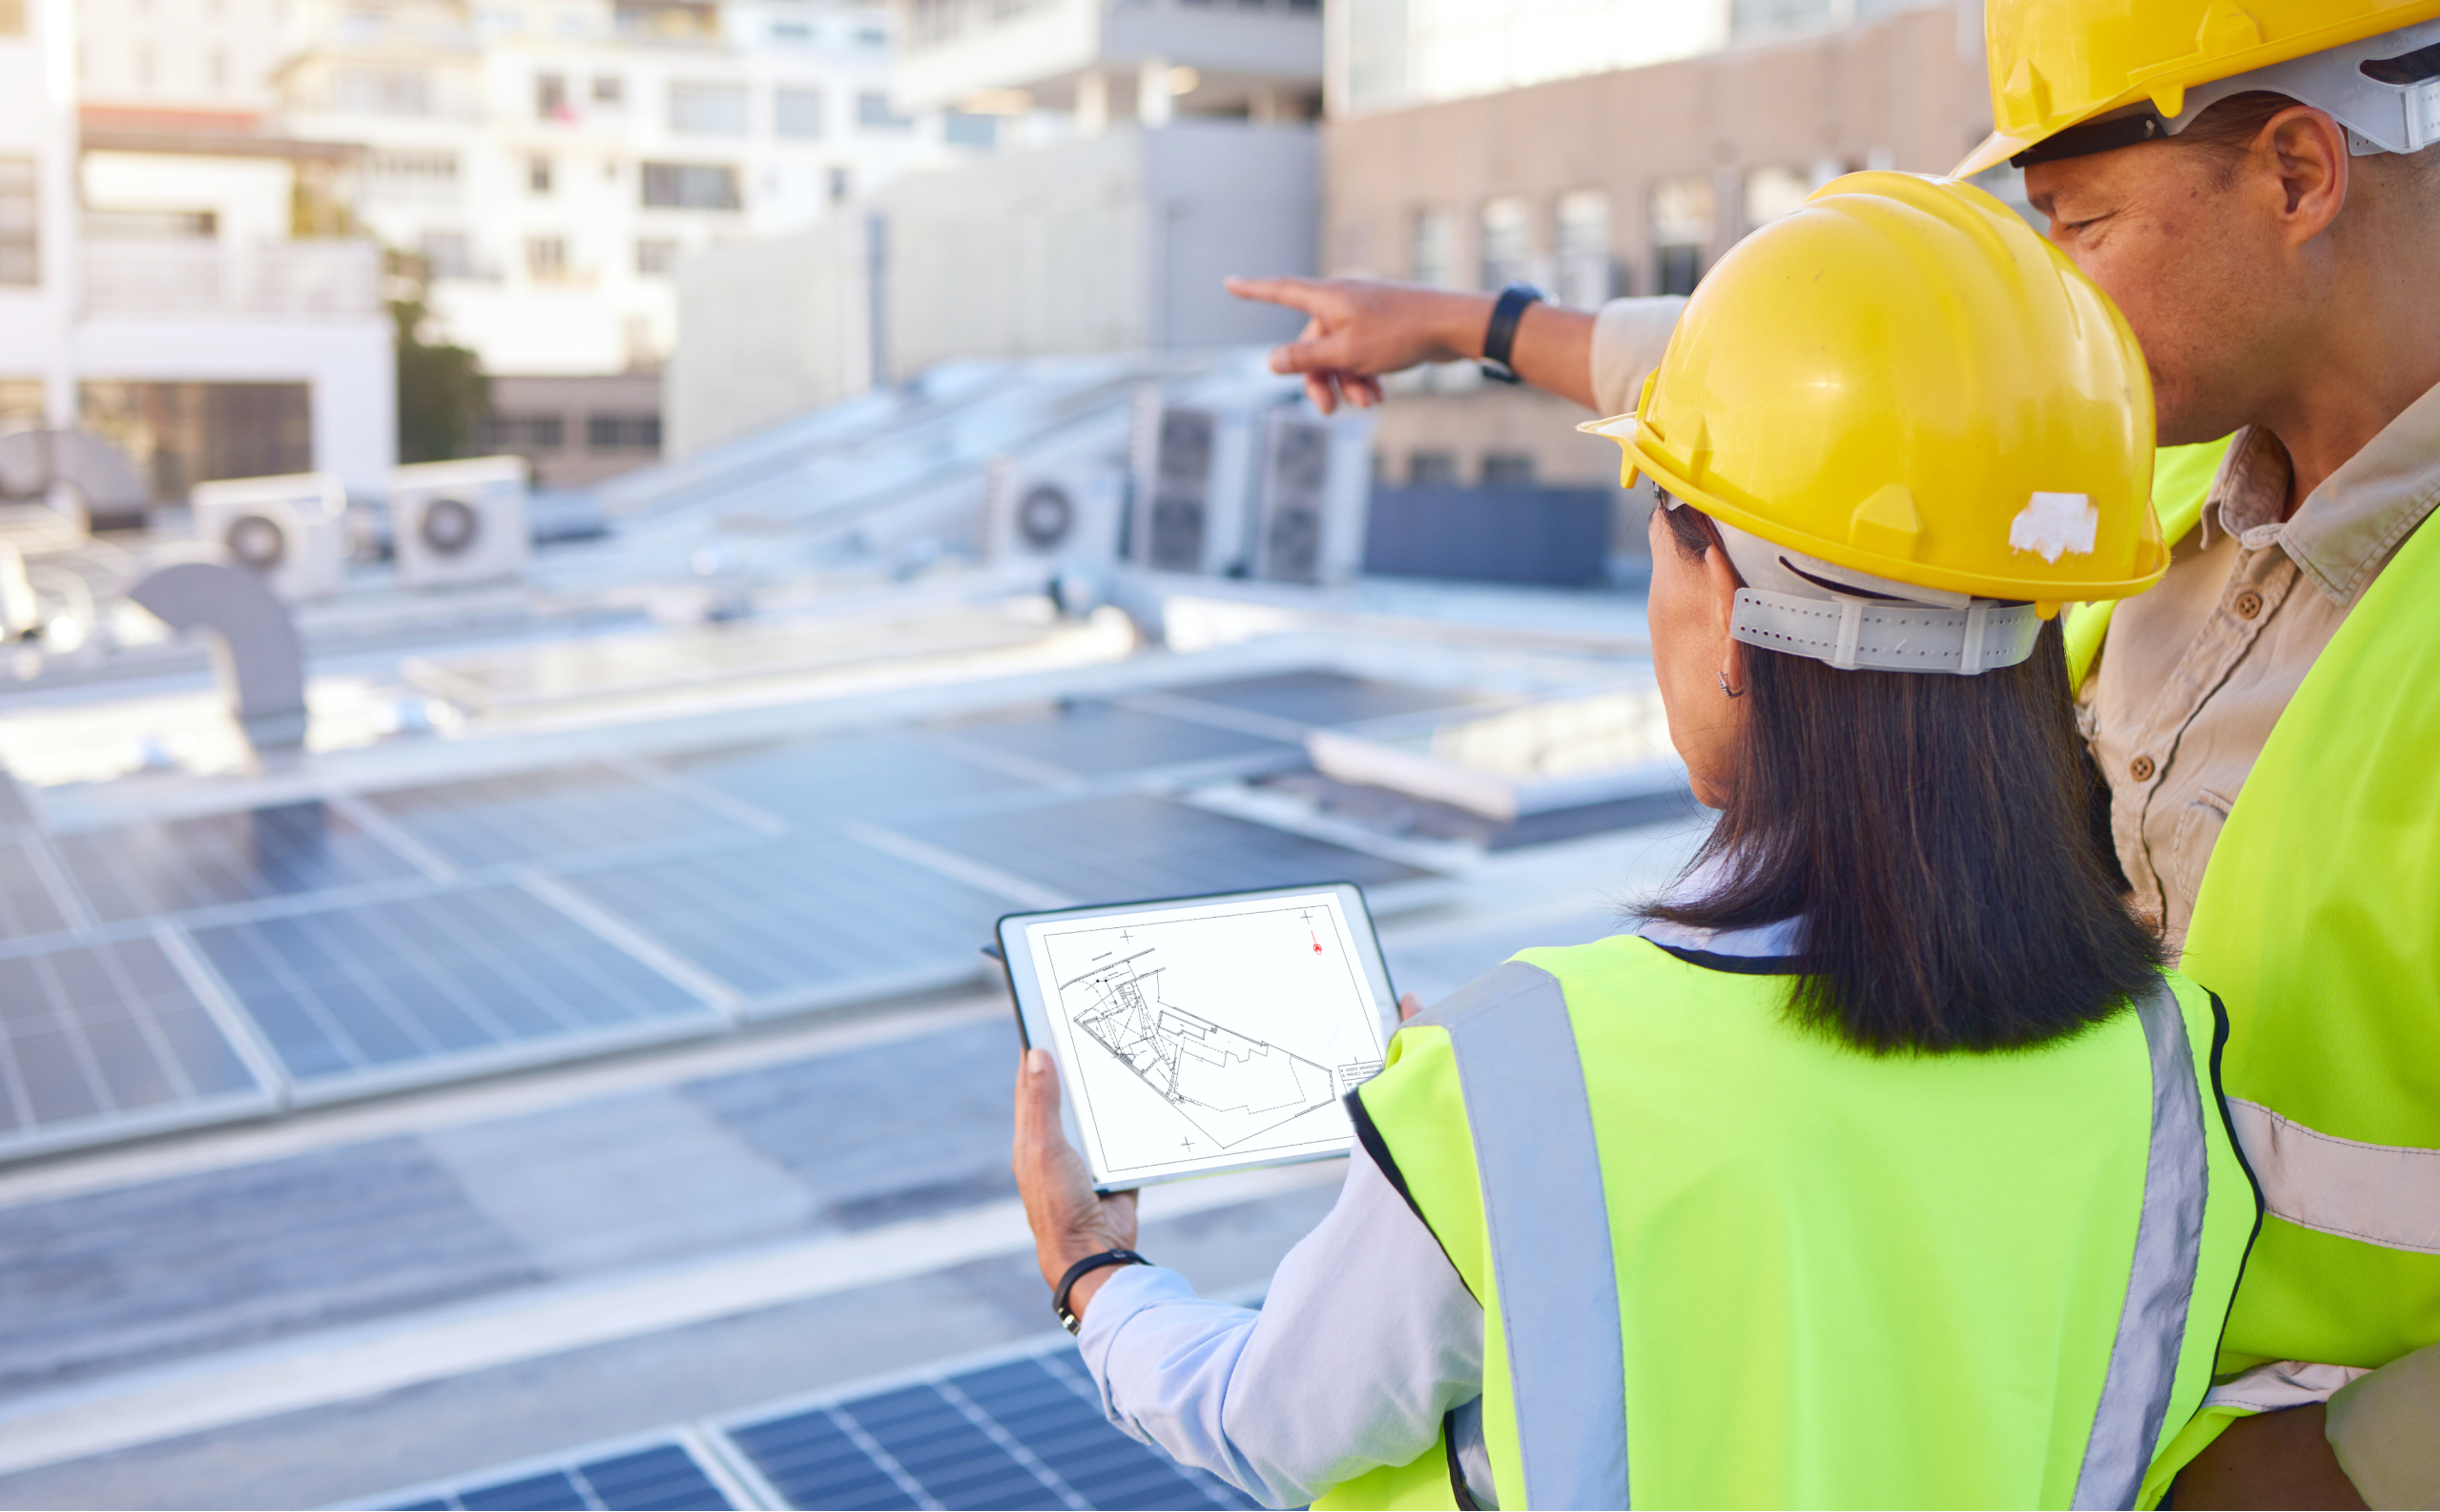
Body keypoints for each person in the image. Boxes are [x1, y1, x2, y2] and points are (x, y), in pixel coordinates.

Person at [1229, 8, 2440, 1500]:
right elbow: (1834, 385)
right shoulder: (2142, 478)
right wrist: (1467, 326)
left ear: (2300, 173)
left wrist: (2330, 1475)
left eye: (2080, 226)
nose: (2040, 299)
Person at [1014, 172, 2262, 1510]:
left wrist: (1096, 1271)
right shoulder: (2164, 1053)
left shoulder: (1520, 1072)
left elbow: (1268, 1421)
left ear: (1723, 598)